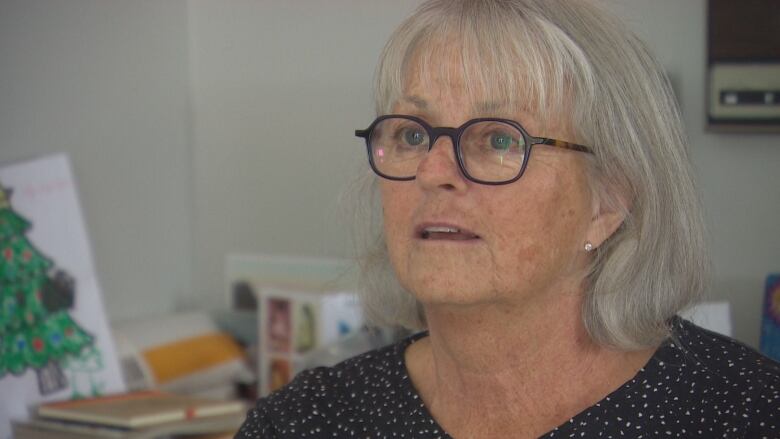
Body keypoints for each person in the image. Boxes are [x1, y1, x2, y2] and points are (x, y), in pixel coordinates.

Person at [235, 0, 780, 437]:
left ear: (608, 203)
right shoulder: (301, 421)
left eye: (498, 138)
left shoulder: (746, 414)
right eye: (411, 134)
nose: (433, 170)